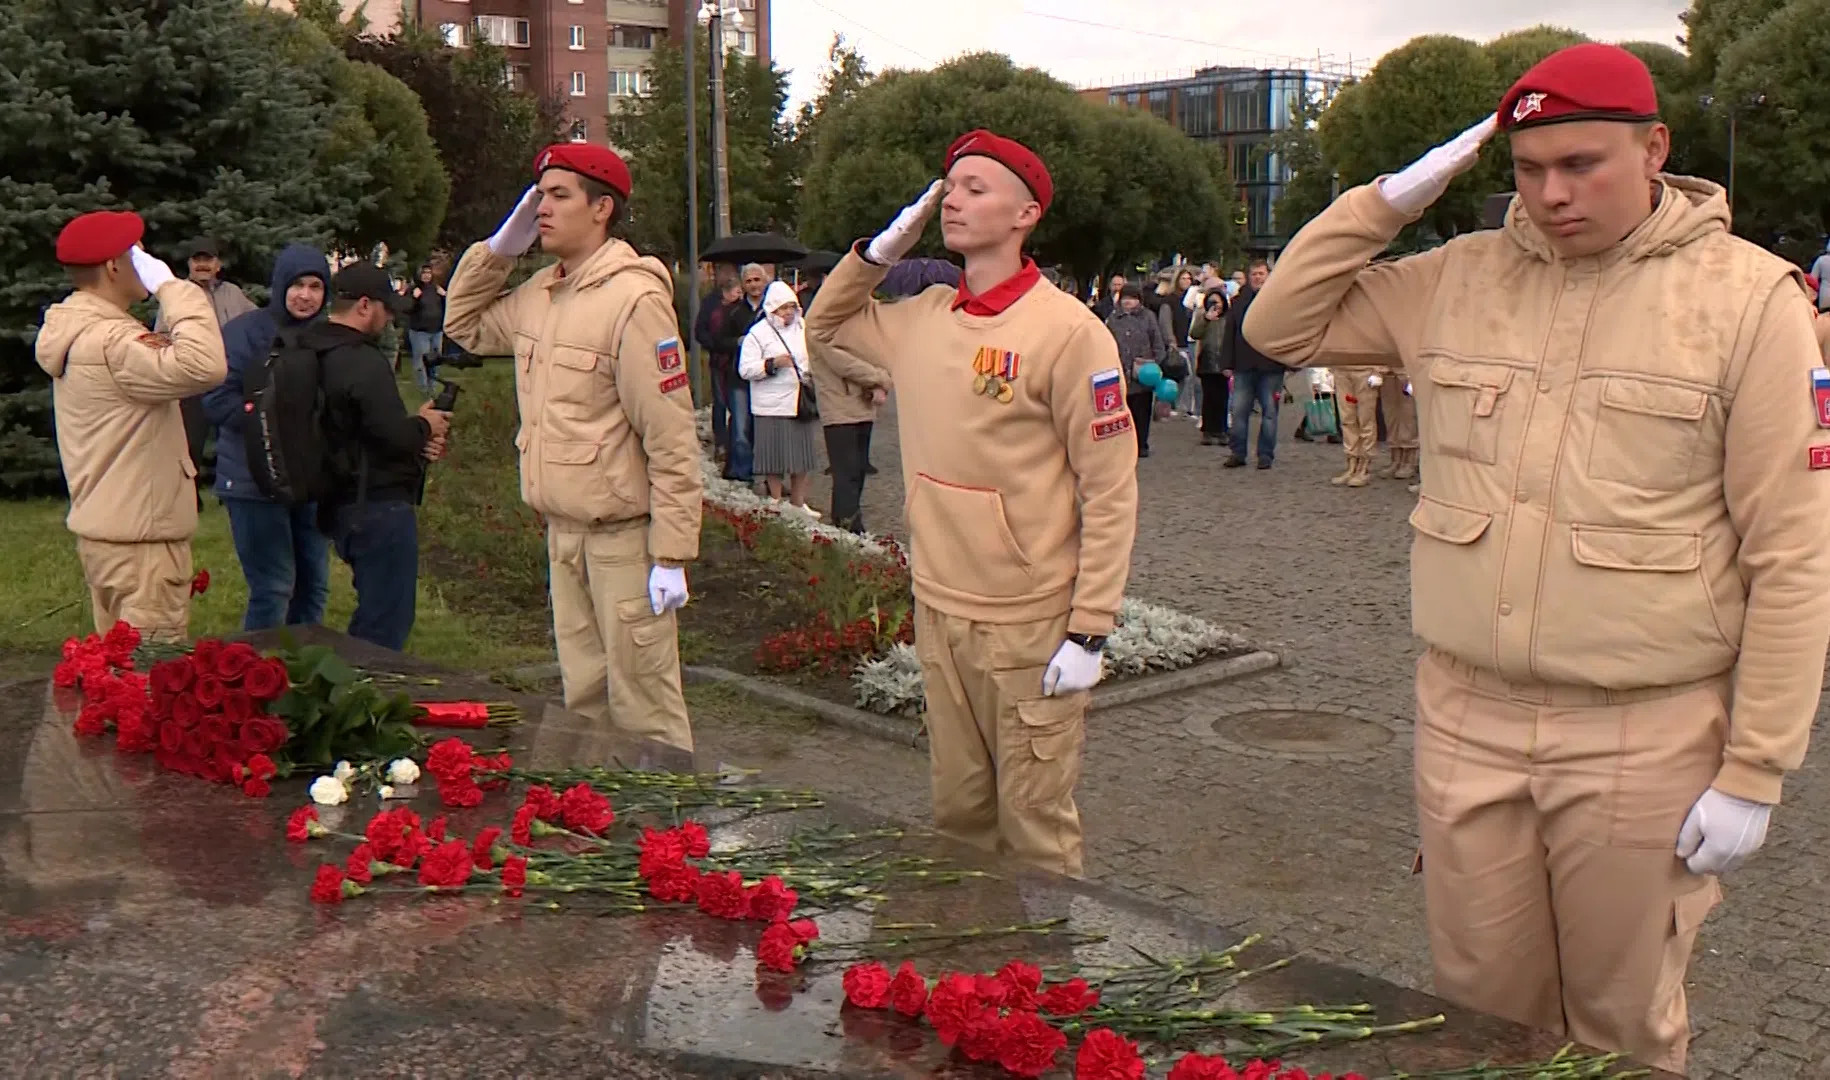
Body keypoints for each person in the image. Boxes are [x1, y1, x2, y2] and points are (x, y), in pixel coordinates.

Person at [1243, 43, 1830, 1074]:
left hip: (1639, 732)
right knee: (1477, 1013)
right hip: (1466, 716)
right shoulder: (1455, 279)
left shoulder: (1749, 302)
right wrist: (1386, 200)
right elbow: (1280, 325)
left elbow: (1795, 552)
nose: (1553, 194)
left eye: (1583, 164)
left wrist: (1756, 769)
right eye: (1528, 169)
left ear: (1656, 149)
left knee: (1622, 1025)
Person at [806, 129, 1140, 878]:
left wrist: (1089, 632)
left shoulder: (1069, 333)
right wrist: (876, 253)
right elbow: (822, 327)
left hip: (1026, 624)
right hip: (940, 609)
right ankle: (973, 978)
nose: (952, 200)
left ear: (1026, 215)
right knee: (957, 819)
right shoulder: (922, 317)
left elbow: (1111, 492)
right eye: (947, 187)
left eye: (975, 188)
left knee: (1036, 832)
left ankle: (1047, 985)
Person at [444, 143, 702, 753]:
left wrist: (671, 552)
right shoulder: (540, 293)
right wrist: (499, 249)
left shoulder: (633, 301)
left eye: (559, 196)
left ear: (602, 208)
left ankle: (668, 837)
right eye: (538, 197)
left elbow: (670, 438)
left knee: (645, 708)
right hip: (563, 535)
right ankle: (604, 826)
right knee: (583, 700)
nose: (542, 209)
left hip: (622, 542)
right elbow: (464, 325)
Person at [34, 212, 228, 640]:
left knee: (116, 683)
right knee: (150, 689)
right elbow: (205, 366)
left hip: (111, 531)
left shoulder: (79, 329)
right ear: (113, 267)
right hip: (142, 544)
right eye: (136, 253)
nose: (145, 260)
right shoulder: (112, 342)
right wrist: (173, 288)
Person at [305, 264, 447, 651]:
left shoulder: (309, 348)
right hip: (376, 502)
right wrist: (425, 425)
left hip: (336, 498)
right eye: (386, 309)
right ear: (365, 306)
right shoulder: (362, 362)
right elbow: (392, 435)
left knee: (374, 611)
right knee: (384, 621)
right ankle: (366, 693)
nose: (389, 319)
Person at [204, 244, 334, 631]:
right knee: (274, 587)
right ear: (280, 286)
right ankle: (256, 674)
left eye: (315, 286)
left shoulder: (329, 339)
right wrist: (268, 426)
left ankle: (304, 673)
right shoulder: (245, 333)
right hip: (251, 481)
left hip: (310, 483)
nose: (306, 295)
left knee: (313, 587)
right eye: (297, 285)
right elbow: (215, 396)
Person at [157, 238, 256, 505]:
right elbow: (162, 336)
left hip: (231, 378)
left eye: (208, 259)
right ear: (189, 264)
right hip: (193, 379)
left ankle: (233, 489)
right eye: (197, 260)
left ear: (218, 264)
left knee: (236, 436)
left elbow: (255, 323)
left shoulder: (234, 294)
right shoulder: (176, 296)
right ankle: (188, 496)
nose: (202, 265)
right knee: (190, 441)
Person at [739, 281, 822, 515]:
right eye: (782, 308)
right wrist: (771, 364)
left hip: (799, 401)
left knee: (801, 456)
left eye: (791, 307)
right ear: (772, 309)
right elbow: (744, 369)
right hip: (770, 405)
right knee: (772, 457)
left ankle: (798, 502)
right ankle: (775, 500)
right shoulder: (758, 333)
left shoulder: (803, 328)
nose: (787, 313)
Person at [1221, 259, 1287, 470]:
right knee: (1239, 411)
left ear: (1268, 276)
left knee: (1269, 412)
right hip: (1244, 364)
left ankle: (1266, 454)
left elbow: (1288, 332)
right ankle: (1237, 452)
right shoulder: (1239, 301)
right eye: (1254, 274)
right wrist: (1226, 362)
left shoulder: (1279, 301)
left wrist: (1291, 359)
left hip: (1271, 365)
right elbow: (1229, 332)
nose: (1257, 278)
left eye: (1261, 274)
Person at [1104, 284, 1166, 458]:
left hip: (1143, 373)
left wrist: (1154, 362)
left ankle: (1141, 444)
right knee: (1123, 411)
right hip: (1120, 372)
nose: (1128, 302)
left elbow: (1157, 343)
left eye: (1132, 298)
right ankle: (1124, 445)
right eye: (1125, 298)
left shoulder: (1148, 317)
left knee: (1142, 410)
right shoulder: (1113, 318)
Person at [694, 276, 742, 466]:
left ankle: (735, 443)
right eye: (735, 291)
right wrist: (715, 345)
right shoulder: (711, 304)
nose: (737, 295)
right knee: (720, 402)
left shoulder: (741, 308)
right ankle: (721, 443)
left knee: (737, 404)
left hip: (738, 361)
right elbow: (701, 330)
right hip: (719, 360)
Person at [1189, 284, 1231, 445]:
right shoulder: (1203, 316)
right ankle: (1208, 430)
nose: (1216, 305)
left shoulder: (1228, 319)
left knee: (1223, 398)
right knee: (1209, 398)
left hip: (1223, 364)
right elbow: (1194, 333)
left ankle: (1221, 430)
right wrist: (1206, 319)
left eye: (1218, 302)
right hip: (1207, 362)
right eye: (1212, 301)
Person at [1331, 366, 1384, 487]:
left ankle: (1364, 466)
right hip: (1342, 371)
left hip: (1365, 372)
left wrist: (1379, 371)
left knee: (1366, 420)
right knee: (1347, 419)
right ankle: (1351, 464)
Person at [404, 264, 446, 395]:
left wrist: (444, 296)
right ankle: (423, 389)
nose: (427, 275)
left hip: (437, 330)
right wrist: (414, 299)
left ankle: (433, 387)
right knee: (421, 361)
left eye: (429, 273)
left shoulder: (436, 289)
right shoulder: (414, 290)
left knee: (436, 360)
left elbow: (447, 307)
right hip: (420, 332)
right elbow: (406, 309)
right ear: (419, 275)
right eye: (424, 273)